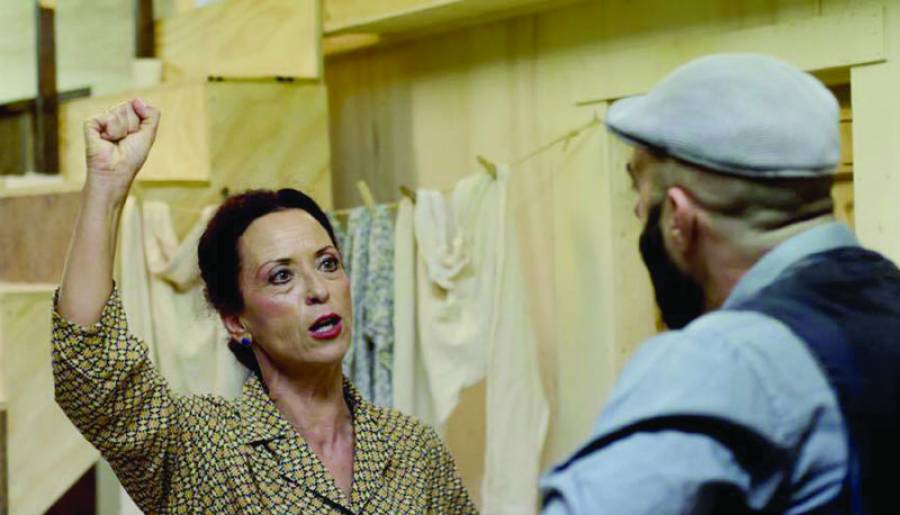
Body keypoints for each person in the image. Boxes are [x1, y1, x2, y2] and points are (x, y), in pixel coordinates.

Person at [52, 98, 477, 514]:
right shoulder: (204, 449)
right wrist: (105, 186)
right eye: (281, 276)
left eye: (328, 264)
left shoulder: (413, 451)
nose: (318, 289)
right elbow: (92, 368)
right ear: (236, 320)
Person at [540, 54, 900, 514]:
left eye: (640, 197)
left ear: (678, 218)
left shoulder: (726, 361)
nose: (637, 215)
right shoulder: (886, 300)